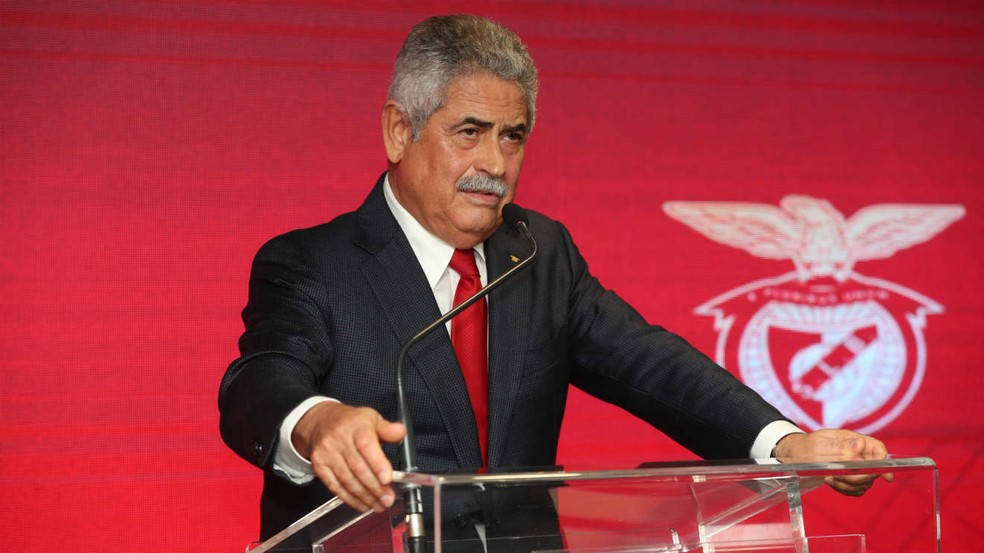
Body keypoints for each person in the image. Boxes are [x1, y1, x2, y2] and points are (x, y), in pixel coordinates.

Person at [218, 14, 889, 540]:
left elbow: (653, 366)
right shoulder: (313, 262)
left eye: (512, 136)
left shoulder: (540, 252)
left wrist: (783, 443)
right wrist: (317, 422)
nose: (495, 163)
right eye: (470, 132)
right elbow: (259, 380)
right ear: (400, 130)